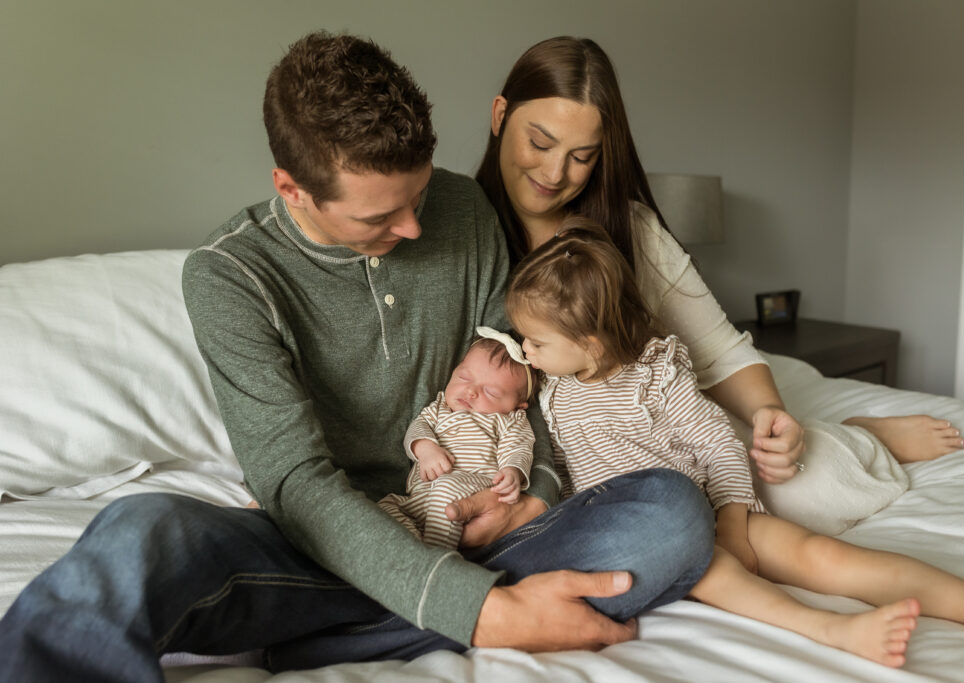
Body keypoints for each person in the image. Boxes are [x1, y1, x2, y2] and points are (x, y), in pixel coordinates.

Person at [0, 32, 716, 682]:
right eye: (379, 216)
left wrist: (536, 492)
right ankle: (409, 617)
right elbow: (296, 483)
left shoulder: (466, 211)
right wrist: (484, 613)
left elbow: (535, 382)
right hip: (317, 545)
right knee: (134, 533)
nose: (412, 226)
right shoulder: (229, 276)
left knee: (673, 510)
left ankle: (342, 639)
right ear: (293, 188)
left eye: (419, 196)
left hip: (471, 523)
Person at [474, 36, 964, 512]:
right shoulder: (460, 233)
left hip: (648, 436)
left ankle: (859, 434)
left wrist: (770, 415)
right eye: (539, 143)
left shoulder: (629, 231)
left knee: (804, 491)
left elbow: (719, 350)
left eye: (582, 156)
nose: (555, 173)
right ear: (500, 116)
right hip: (536, 461)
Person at [505, 221, 964, 667]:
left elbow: (719, 446)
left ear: (591, 348)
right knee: (714, 572)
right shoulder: (549, 387)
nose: (524, 349)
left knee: (821, 554)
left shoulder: (655, 378)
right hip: (641, 536)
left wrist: (733, 520)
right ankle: (830, 630)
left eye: (536, 341)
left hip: (708, 510)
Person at [378, 329, 537, 549]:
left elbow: (519, 448)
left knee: (446, 486)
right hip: (421, 499)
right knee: (384, 507)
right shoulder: (440, 407)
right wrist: (426, 449)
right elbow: (418, 428)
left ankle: (436, 556)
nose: (471, 391)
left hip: (473, 491)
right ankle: (416, 548)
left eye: (490, 392)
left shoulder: (509, 420)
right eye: (464, 377)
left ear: (518, 405)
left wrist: (513, 472)